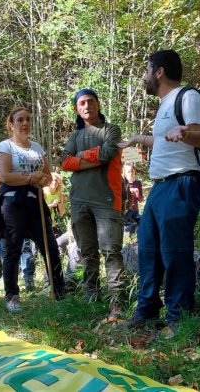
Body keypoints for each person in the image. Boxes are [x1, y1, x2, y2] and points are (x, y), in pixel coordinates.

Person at [118, 49, 200, 331]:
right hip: (160, 186)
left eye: (147, 70)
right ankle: (146, 311)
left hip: (181, 183)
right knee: (147, 249)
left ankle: (178, 318)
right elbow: (165, 140)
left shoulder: (189, 97)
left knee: (175, 251)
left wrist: (185, 132)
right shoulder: (165, 103)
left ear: (159, 72)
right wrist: (139, 139)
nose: (144, 77)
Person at [60, 88, 125, 321]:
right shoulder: (74, 136)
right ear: (77, 109)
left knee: (111, 251)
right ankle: (91, 297)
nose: (86, 106)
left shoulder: (111, 129)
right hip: (79, 201)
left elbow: (108, 153)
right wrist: (92, 158)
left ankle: (116, 302)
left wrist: (80, 159)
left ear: (97, 104)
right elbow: (64, 161)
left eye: (90, 101)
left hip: (106, 200)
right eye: (81, 103)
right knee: (87, 253)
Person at [0, 107, 65, 312]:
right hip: (13, 204)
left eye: (27, 119)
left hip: (35, 202)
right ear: (11, 124)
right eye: (19, 120)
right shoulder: (5, 146)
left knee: (49, 246)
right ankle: (12, 296)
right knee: (13, 249)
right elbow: (6, 176)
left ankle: (59, 291)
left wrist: (38, 178)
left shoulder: (37, 148)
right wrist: (30, 178)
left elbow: (49, 178)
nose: (24, 123)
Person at [123, 163, 143, 231]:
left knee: (143, 222)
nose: (131, 173)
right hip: (126, 212)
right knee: (125, 225)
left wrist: (137, 194)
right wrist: (128, 192)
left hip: (135, 210)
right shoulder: (123, 183)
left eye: (132, 171)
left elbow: (141, 200)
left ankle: (134, 229)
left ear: (134, 172)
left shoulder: (138, 183)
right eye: (128, 172)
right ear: (125, 173)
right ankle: (130, 228)